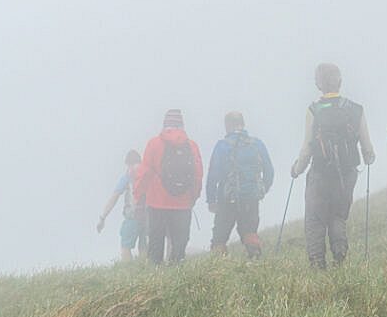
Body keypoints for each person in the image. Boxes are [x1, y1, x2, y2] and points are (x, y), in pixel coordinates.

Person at [291, 63, 376, 268]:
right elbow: (368, 151)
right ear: (340, 81)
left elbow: (307, 148)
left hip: (320, 173)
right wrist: (368, 158)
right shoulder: (355, 109)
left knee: (315, 219)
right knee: (338, 215)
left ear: (318, 84)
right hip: (347, 174)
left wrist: (296, 169)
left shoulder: (314, 110)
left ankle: (317, 264)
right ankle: (340, 258)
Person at [133, 109, 203, 265]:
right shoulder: (192, 146)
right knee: (179, 243)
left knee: (156, 241)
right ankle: (177, 272)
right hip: (183, 203)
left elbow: (144, 173)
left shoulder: (154, 144)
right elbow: (198, 175)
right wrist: (193, 197)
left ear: (165, 124)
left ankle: (155, 275)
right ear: (182, 125)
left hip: (156, 202)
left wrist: (138, 196)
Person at [206, 111, 275, 258]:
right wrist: (261, 189)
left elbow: (213, 175)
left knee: (220, 237)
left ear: (227, 125)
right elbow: (269, 171)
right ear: (243, 124)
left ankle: (218, 271)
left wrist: (211, 200)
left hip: (226, 199)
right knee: (250, 232)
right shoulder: (257, 144)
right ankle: (255, 263)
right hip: (251, 197)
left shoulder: (222, 146)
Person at [96, 149, 147, 261]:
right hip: (149, 218)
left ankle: (128, 273)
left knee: (125, 247)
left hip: (132, 218)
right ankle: (146, 272)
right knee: (144, 248)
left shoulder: (127, 178)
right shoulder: (148, 175)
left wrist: (102, 217)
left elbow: (114, 198)